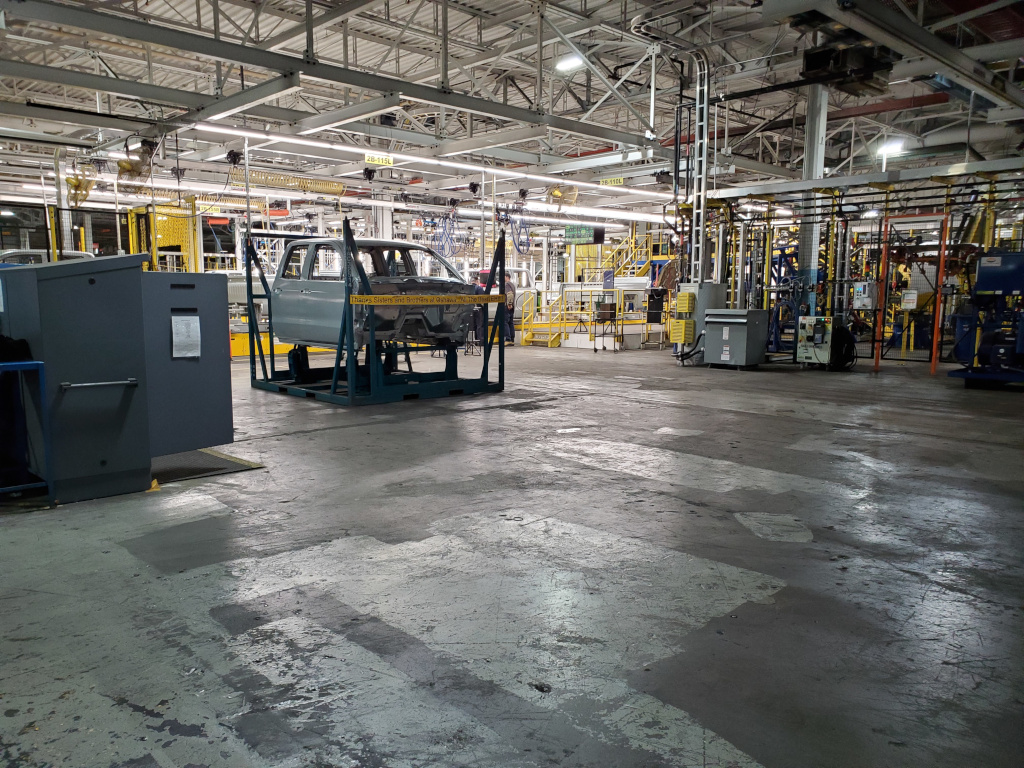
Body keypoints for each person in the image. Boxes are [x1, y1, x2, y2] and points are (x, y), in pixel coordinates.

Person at [471, 274, 486, 347]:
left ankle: (474, 340)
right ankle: (480, 341)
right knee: (479, 325)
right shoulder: (479, 288)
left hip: (470, 310)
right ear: (477, 281)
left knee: (473, 325)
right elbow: (482, 300)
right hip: (478, 309)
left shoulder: (468, 288)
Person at [503, 274, 516, 345]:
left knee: (505, 322)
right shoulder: (512, 285)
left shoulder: (507, 284)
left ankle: (508, 339)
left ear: (507, 277)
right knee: (511, 322)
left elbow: (510, 294)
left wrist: (509, 303)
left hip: (508, 306)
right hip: (512, 306)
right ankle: (512, 339)